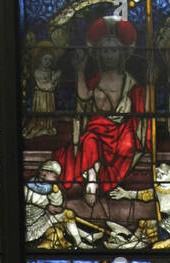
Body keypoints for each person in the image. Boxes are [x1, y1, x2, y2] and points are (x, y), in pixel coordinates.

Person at [57, 16, 146, 206]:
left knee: (128, 144)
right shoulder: (95, 79)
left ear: (123, 53)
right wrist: (79, 70)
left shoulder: (131, 84)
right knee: (89, 139)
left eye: (113, 50)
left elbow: (139, 114)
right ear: (98, 54)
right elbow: (84, 98)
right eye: (105, 50)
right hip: (97, 127)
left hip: (122, 130)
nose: (109, 55)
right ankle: (92, 177)